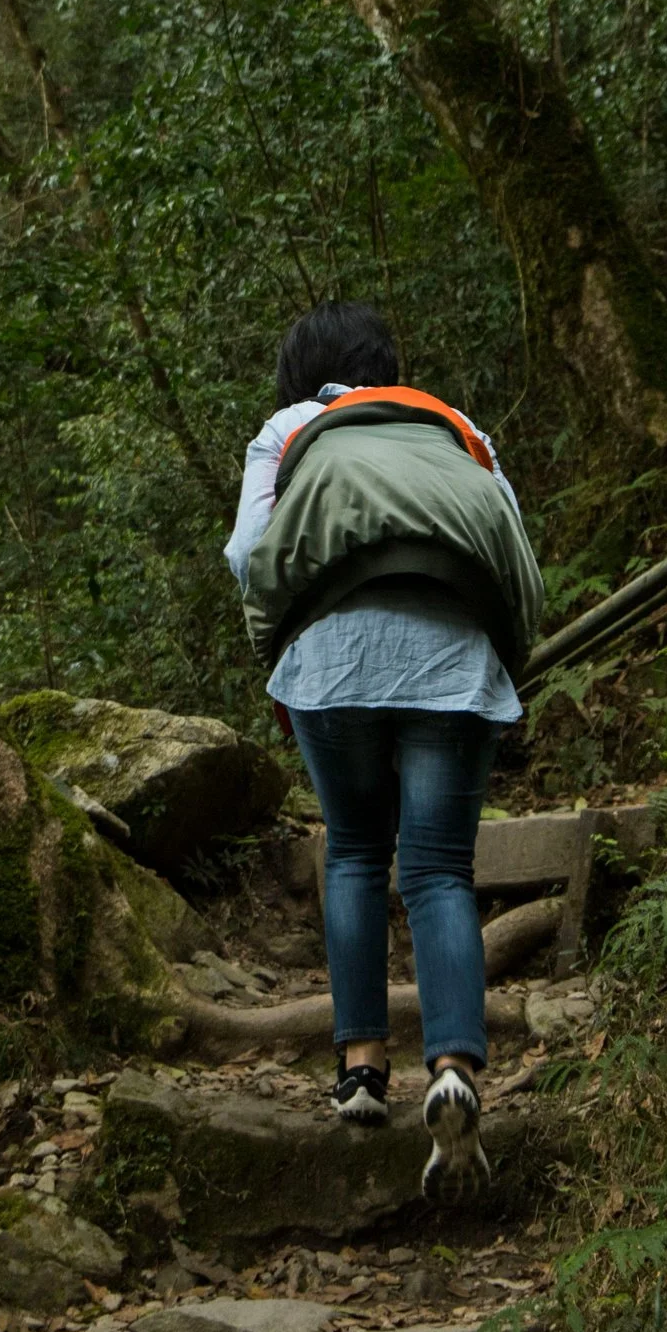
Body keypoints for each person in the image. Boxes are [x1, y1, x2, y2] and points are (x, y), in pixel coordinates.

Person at [225, 301, 543, 1201]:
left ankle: (363, 1069)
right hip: (453, 655)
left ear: (300, 376)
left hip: (332, 662)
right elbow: (511, 542)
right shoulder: (453, 424)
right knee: (440, 868)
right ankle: (454, 1068)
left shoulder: (291, 428)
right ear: (388, 365)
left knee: (358, 851)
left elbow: (250, 552)